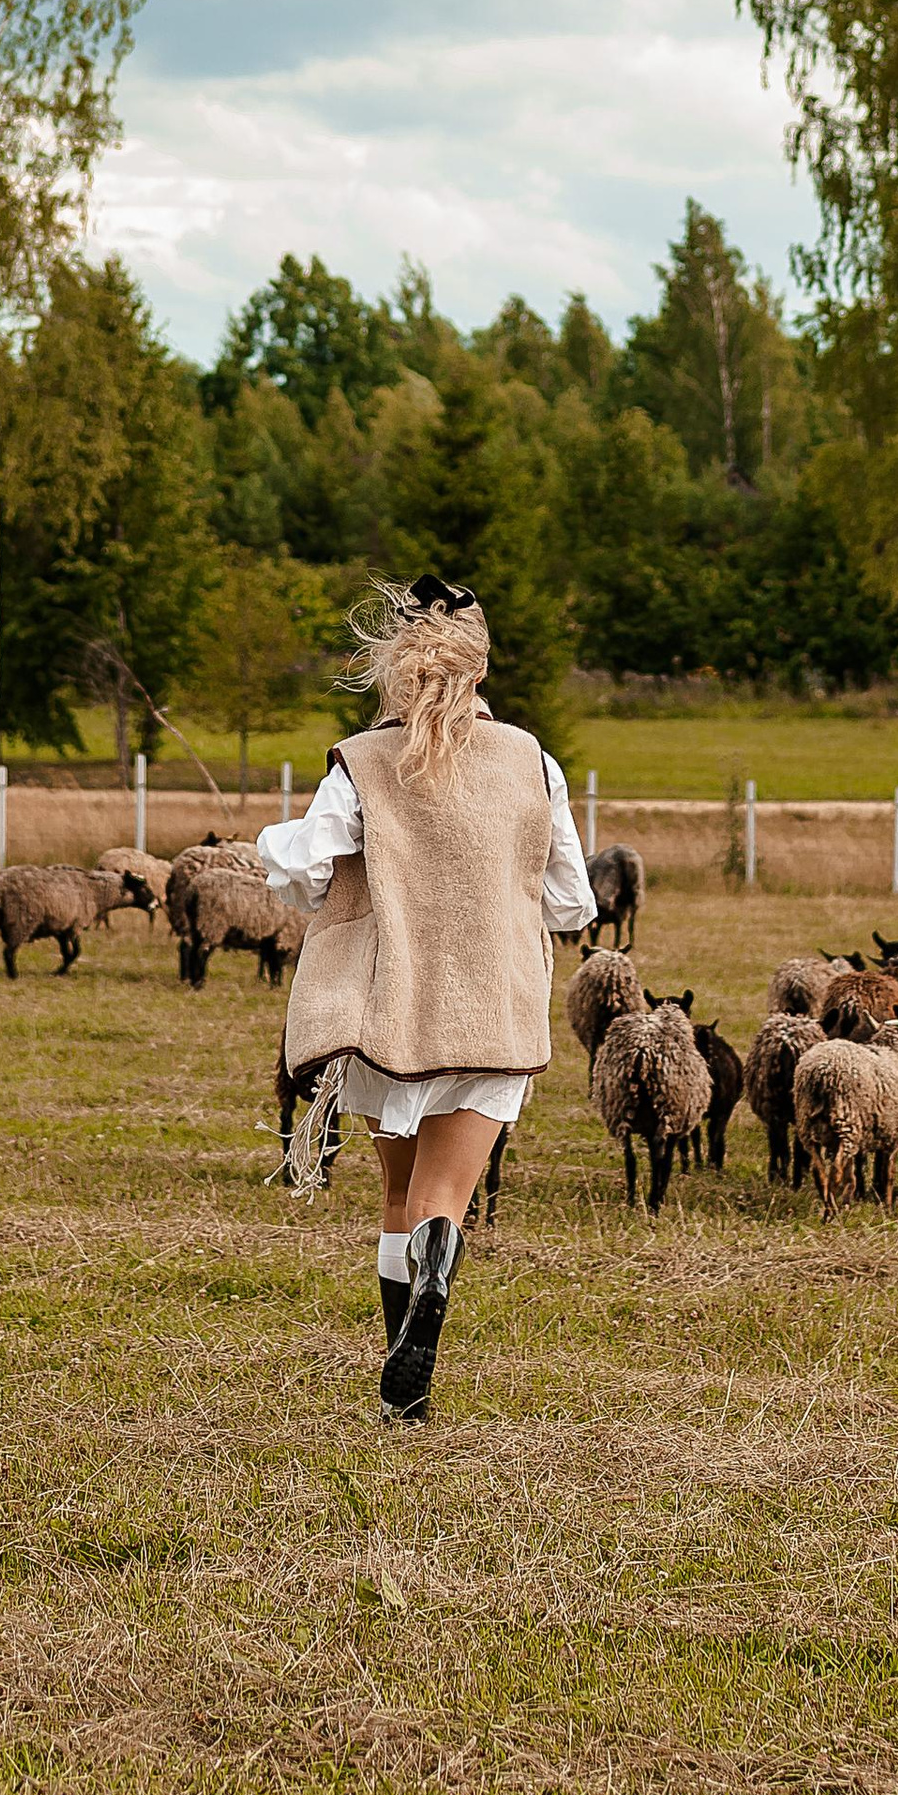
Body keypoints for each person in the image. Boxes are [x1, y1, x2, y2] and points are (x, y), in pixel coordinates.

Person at [256, 576, 594, 1422]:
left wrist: (268, 844)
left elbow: (299, 872)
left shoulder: (364, 761)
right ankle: (436, 1294)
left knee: (396, 1195)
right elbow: (571, 902)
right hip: (494, 1012)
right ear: (479, 670)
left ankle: (404, 1391)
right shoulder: (532, 760)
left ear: (396, 668)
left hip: (391, 1012)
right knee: (445, 1198)